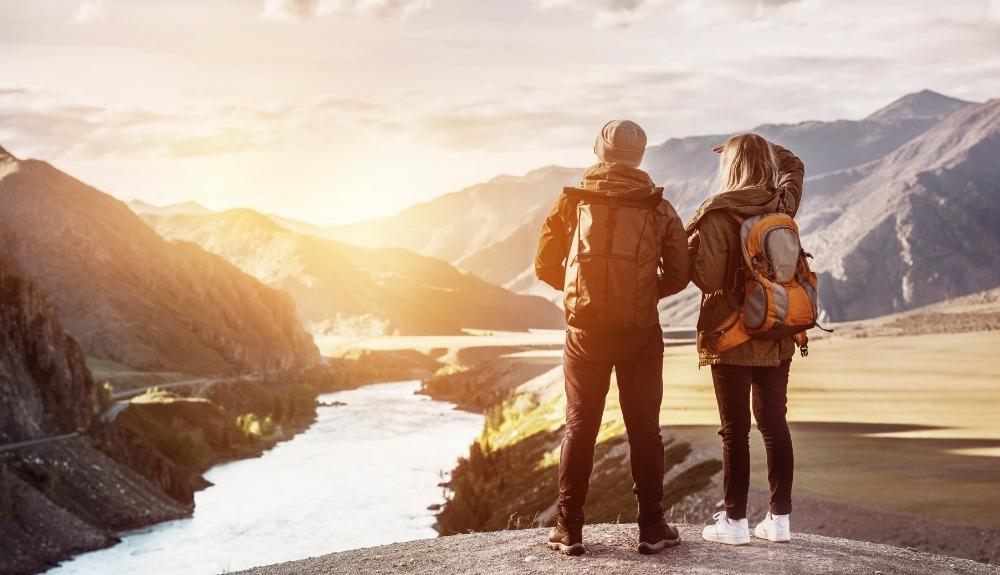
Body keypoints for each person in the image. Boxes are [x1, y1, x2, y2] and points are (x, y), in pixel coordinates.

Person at [534, 119, 690, 556]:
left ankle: (569, 528)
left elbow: (545, 265)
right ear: (639, 158)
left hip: (584, 333)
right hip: (639, 333)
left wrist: (582, 295)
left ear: (599, 150)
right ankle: (652, 528)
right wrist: (640, 294)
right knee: (644, 429)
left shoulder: (571, 203)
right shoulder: (658, 206)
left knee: (580, 425)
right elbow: (680, 273)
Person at [686, 133, 805, 545]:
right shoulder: (781, 204)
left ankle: (734, 522)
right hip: (776, 330)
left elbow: (707, 278)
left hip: (731, 337)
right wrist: (767, 146)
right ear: (765, 164)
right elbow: (795, 167)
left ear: (730, 166)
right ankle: (780, 520)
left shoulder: (717, 212)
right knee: (774, 423)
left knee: (735, 430)